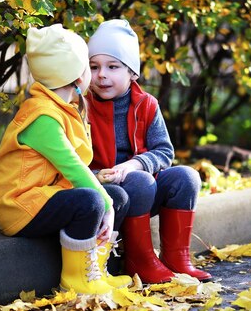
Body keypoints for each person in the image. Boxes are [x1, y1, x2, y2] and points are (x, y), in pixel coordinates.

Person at [0, 24, 132, 294]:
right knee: (93, 200)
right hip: (20, 206)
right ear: (78, 77)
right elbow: (73, 167)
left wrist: (109, 197)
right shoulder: (43, 117)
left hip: (43, 196)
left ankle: (96, 270)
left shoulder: (62, 108)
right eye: (87, 67)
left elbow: (74, 171)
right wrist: (107, 205)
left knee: (118, 194)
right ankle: (76, 279)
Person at [85, 19, 212, 283]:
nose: (101, 75)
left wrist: (134, 164)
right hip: (106, 192)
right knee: (140, 181)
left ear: (132, 73)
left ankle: (177, 258)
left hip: (144, 191)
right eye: (94, 67)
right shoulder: (82, 106)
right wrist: (98, 174)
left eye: (113, 66)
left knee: (186, 177)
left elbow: (164, 150)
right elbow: (73, 155)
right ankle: (139, 259)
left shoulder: (146, 104)